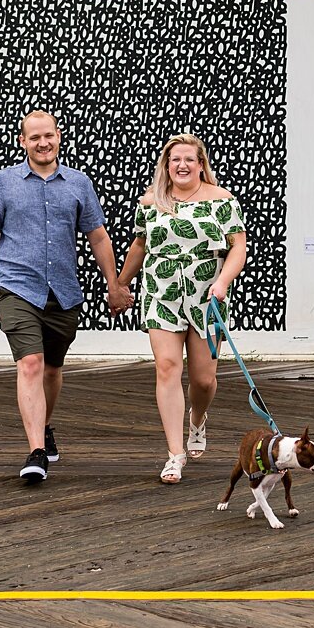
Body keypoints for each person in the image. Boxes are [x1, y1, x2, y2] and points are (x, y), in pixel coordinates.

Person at [0, 110, 124, 482]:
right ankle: (36, 451)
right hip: (17, 287)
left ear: (58, 137)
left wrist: (115, 283)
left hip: (63, 292)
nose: (43, 143)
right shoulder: (4, 183)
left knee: (53, 370)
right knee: (31, 364)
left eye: (49, 136)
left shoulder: (78, 184)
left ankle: (46, 428)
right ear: (23, 141)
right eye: (34, 137)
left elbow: (98, 236)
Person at [118, 133, 247, 484]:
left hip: (209, 294)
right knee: (168, 367)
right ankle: (175, 454)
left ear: (201, 164)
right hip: (161, 292)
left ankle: (198, 420)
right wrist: (121, 283)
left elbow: (239, 248)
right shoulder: (151, 202)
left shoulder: (222, 201)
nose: (182, 165)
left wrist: (223, 283)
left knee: (204, 379)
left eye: (190, 159)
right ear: (166, 165)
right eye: (175, 159)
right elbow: (140, 246)